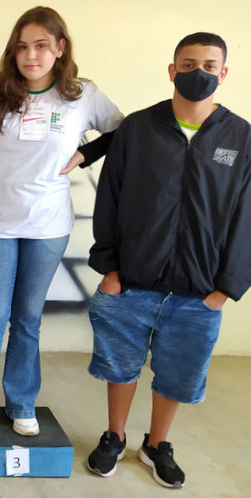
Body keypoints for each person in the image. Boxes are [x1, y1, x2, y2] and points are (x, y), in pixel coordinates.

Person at [85, 32, 251, 489]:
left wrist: (225, 288)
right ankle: (115, 435)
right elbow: (110, 199)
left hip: (200, 291)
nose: (199, 73)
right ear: (172, 70)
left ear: (224, 73)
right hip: (133, 282)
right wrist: (111, 269)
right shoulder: (138, 129)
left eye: (209, 66)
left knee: (176, 375)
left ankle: (156, 444)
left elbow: (247, 217)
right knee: (120, 366)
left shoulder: (241, 138)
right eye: (189, 64)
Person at [0, 6, 123, 437]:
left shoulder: (82, 95)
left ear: (60, 48)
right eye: (22, 47)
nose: (31, 56)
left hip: (48, 226)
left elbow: (122, 131)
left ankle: (22, 402)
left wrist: (85, 154)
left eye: (41, 46)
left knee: (28, 319)